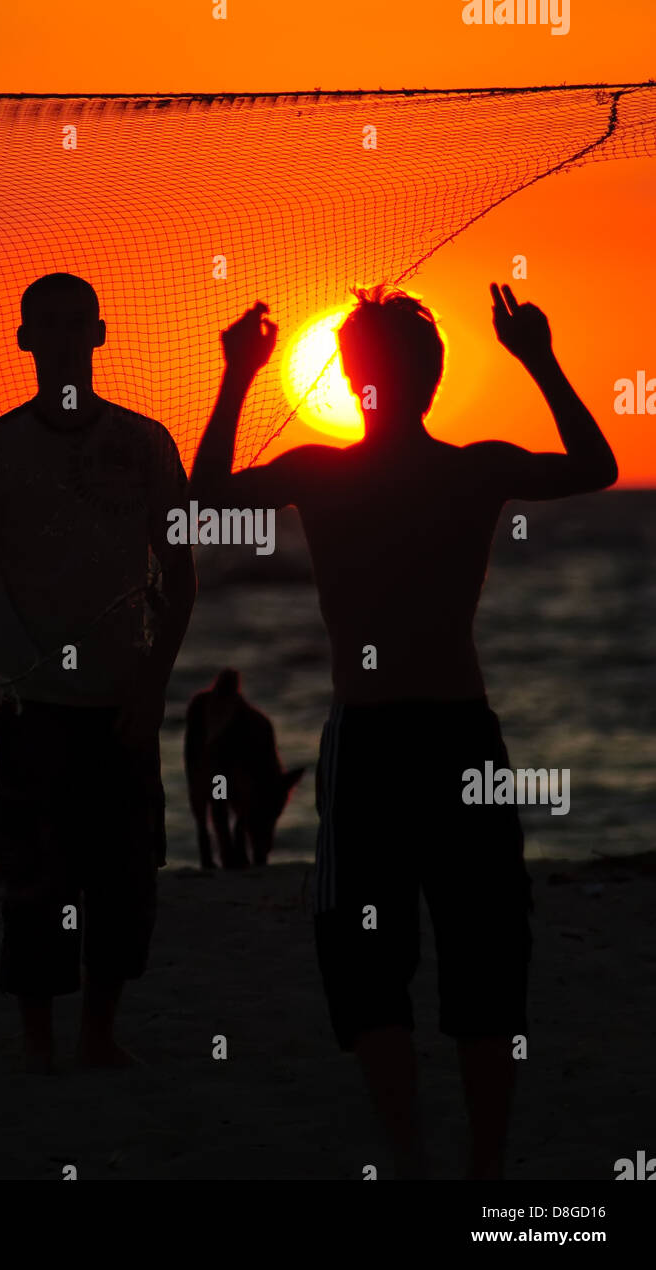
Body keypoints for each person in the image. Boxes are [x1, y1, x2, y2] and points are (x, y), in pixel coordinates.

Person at [190, 283, 617, 1177]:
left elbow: (202, 500)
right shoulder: (473, 468)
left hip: (376, 743)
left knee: (370, 951)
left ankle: (413, 1154)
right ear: (432, 377)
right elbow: (595, 463)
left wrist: (237, 377)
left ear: (350, 379)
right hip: (462, 737)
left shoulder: (323, 474)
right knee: (484, 942)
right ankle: (484, 1168)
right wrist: (537, 358)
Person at [0, 273, 195, 1071]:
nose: (68, 340)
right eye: (52, 326)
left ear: (101, 335)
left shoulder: (145, 445)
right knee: (35, 884)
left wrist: (153, 689)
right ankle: (38, 1043)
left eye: (81, 325)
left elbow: (180, 574)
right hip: (31, 708)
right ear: (25, 339)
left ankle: (98, 1035)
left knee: (127, 880)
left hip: (123, 708)